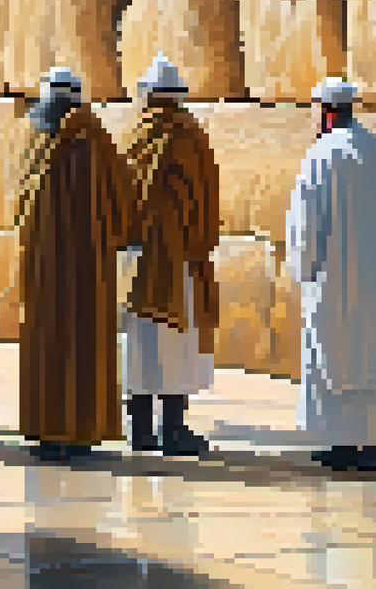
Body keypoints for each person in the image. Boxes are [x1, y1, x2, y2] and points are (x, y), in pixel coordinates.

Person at [285, 78, 376, 472]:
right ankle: (374, 443)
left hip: (334, 281)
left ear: (327, 111)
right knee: (373, 360)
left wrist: (303, 271)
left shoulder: (320, 156)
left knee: (335, 360)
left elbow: (305, 229)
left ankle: (339, 442)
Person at [16, 67, 132, 462]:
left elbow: (20, 203)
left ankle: (47, 428)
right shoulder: (96, 142)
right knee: (82, 343)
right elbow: (121, 202)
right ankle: (82, 429)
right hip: (87, 269)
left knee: (49, 343)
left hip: (46, 267)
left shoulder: (37, 138)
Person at [122, 55, 221, 457]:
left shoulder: (133, 136)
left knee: (141, 344)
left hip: (139, 263)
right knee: (174, 346)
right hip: (177, 260)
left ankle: (141, 430)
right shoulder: (190, 136)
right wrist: (200, 247)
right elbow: (206, 200)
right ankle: (173, 430)